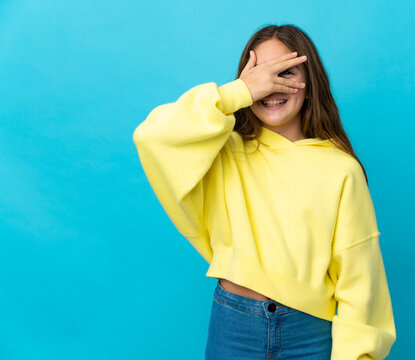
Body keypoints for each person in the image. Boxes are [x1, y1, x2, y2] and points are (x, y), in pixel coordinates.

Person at [133, 24, 396, 360]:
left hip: (311, 332)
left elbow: (360, 280)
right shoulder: (223, 150)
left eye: (285, 73)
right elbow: (152, 137)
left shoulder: (340, 169)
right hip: (234, 324)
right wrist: (237, 92)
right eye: (261, 75)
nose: (271, 86)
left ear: (309, 83)